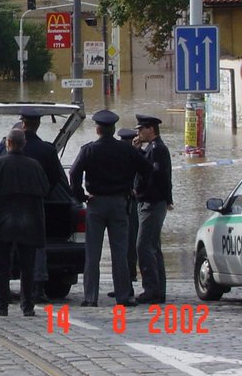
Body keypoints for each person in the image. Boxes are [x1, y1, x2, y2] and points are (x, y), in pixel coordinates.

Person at [69, 110, 152, 307]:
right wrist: (137, 190)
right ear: (113, 129)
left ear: (97, 129)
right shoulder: (126, 150)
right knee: (120, 253)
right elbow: (147, 168)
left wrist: (81, 196)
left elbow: (73, 173)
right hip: (119, 203)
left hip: (95, 203)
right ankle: (123, 296)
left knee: (93, 253)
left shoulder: (89, 150)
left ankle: (91, 297)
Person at [4, 110, 69, 302]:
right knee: (37, 245)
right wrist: (43, 192)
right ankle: (38, 288)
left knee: (8, 247)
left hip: (10, 204)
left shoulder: (8, 148)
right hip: (36, 202)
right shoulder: (47, 150)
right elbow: (56, 177)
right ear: (38, 125)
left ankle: (4, 288)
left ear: (23, 124)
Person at [0, 127, 49, 317]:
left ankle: (0, 305)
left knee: (1, 265)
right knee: (27, 267)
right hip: (29, 221)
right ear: (24, 144)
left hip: (2, 220)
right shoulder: (35, 166)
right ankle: (27, 306)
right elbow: (45, 189)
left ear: (8, 143)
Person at [135, 113, 173, 304]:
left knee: (143, 246)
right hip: (155, 201)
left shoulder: (157, 149)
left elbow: (158, 177)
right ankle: (158, 290)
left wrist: (141, 194)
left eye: (141, 129)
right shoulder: (150, 148)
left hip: (152, 202)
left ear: (151, 129)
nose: (139, 132)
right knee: (153, 247)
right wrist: (139, 152)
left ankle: (151, 289)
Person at [107, 128, 141, 301]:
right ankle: (124, 285)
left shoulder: (134, 156)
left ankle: (126, 284)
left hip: (130, 203)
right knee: (125, 245)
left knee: (127, 245)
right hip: (127, 202)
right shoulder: (128, 156)